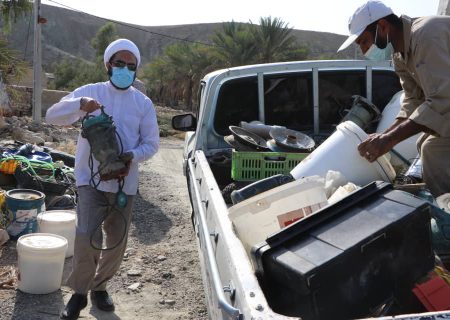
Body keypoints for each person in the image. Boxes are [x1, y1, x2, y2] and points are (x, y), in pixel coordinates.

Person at [46, 38, 159, 320]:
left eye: (130, 66)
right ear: (108, 64)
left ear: (136, 69)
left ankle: (100, 287)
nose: (124, 69)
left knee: (117, 240)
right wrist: (79, 104)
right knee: (86, 236)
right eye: (119, 63)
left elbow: (152, 144)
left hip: (124, 183)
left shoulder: (142, 103)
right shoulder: (90, 92)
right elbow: (52, 116)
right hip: (89, 181)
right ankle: (79, 294)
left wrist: (130, 156)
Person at [337, 0, 450, 197]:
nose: (364, 51)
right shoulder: (399, 56)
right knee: (424, 143)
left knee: (433, 150)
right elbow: (413, 100)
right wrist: (384, 136)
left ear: (382, 26)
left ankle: (446, 215)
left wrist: (389, 139)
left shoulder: (426, 35)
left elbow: (443, 98)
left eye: (364, 41)